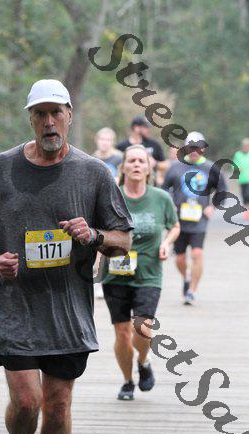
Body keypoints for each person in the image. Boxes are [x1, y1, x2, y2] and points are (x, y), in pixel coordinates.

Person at [0, 79, 133, 434]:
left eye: (56, 112)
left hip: (68, 312)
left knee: (57, 406)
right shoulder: (0, 169)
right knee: (27, 402)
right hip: (15, 305)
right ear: (30, 119)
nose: (48, 122)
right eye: (40, 114)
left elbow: (122, 239)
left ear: (69, 115)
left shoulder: (93, 173)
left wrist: (93, 236)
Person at [102, 145, 179, 401]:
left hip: (149, 274)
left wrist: (166, 243)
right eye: (131, 160)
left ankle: (144, 361)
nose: (136, 164)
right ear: (123, 167)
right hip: (115, 273)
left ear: (148, 169)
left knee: (142, 329)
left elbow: (174, 226)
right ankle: (127, 381)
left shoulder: (160, 198)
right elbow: (99, 230)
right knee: (122, 333)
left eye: (141, 161)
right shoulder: (111, 198)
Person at [162, 131, 227, 306]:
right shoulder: (175, 167)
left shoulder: (211, 168)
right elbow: (164, 189)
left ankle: (191, 291)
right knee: (180, 258)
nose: (194, 151)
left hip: (199, 219)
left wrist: (212, 206)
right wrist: (170, 204)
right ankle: (186, 277)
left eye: (198, 148)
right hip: (178, 221)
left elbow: (222, 190)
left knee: (197, 253)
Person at [93, 127, 123, 299]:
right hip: (97, 205)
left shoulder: (119, 159)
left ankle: (111, 279)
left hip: (116, 206)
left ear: (112, 142)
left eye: (108, 140)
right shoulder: (92, 159)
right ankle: (98, 279)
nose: (104, 143)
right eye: (102, 139)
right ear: (97, 140)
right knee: (99, 242)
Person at [116, 116, 167, 185]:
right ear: (136, 128)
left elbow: (166, 165)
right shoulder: (121, 146)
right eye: (146, 127)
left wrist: (155, 164)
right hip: (127, 185)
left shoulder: (154, 144)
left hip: (150, 185)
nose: (148, 130)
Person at [232, 138, 249, 219]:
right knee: (243, 195)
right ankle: (246, 209)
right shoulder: (238, 154)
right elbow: (233, 165)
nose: (246, 147)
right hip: (242, 179)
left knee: (248, 194)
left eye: (247, 146)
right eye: (244, 146)